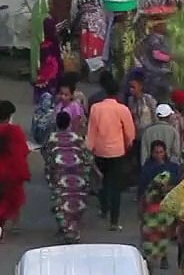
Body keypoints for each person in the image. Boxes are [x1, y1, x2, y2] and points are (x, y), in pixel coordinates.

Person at [85, 80, 135, 231]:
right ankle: (114, 220)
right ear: (118, 93)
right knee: (115, 186)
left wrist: (89, 149)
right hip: (117, 152)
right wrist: (128, 145)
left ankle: (103, 208)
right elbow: (130, 133)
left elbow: (91, 131)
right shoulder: (122, 109)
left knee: (103, 181)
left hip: (100, 151)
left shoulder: (96, 108)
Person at [44, 110, 92, 243]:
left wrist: (49, 175)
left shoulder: (52, 138)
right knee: (76, 203)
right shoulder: (77, 138)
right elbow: (87, 156)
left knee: (61, 203)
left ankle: (65, 229)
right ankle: (73, 230)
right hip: (78, 176)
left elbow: (48, 157)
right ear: (69, 123)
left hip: (60, 177)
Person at [140, 170, 176, 270]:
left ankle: (161, 259)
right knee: (152, 242)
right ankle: (150, 262)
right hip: (153, 223)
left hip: (159, 222)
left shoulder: (164, 195)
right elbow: (143, 206)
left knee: (161, 241)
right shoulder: (151, 194)